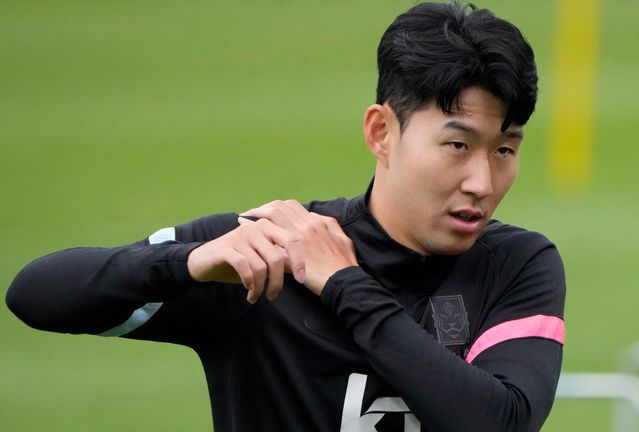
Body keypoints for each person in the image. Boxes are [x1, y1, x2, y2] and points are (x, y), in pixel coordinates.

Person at [6, 1, 565, 431]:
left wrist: (346, 285)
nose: (482, 183)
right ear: (381, 132)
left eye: (504, 150)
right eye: (458, 146)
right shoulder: (264, 254)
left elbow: (499, 421)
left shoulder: (516, 264)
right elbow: (34, 294)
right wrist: (184, 263)